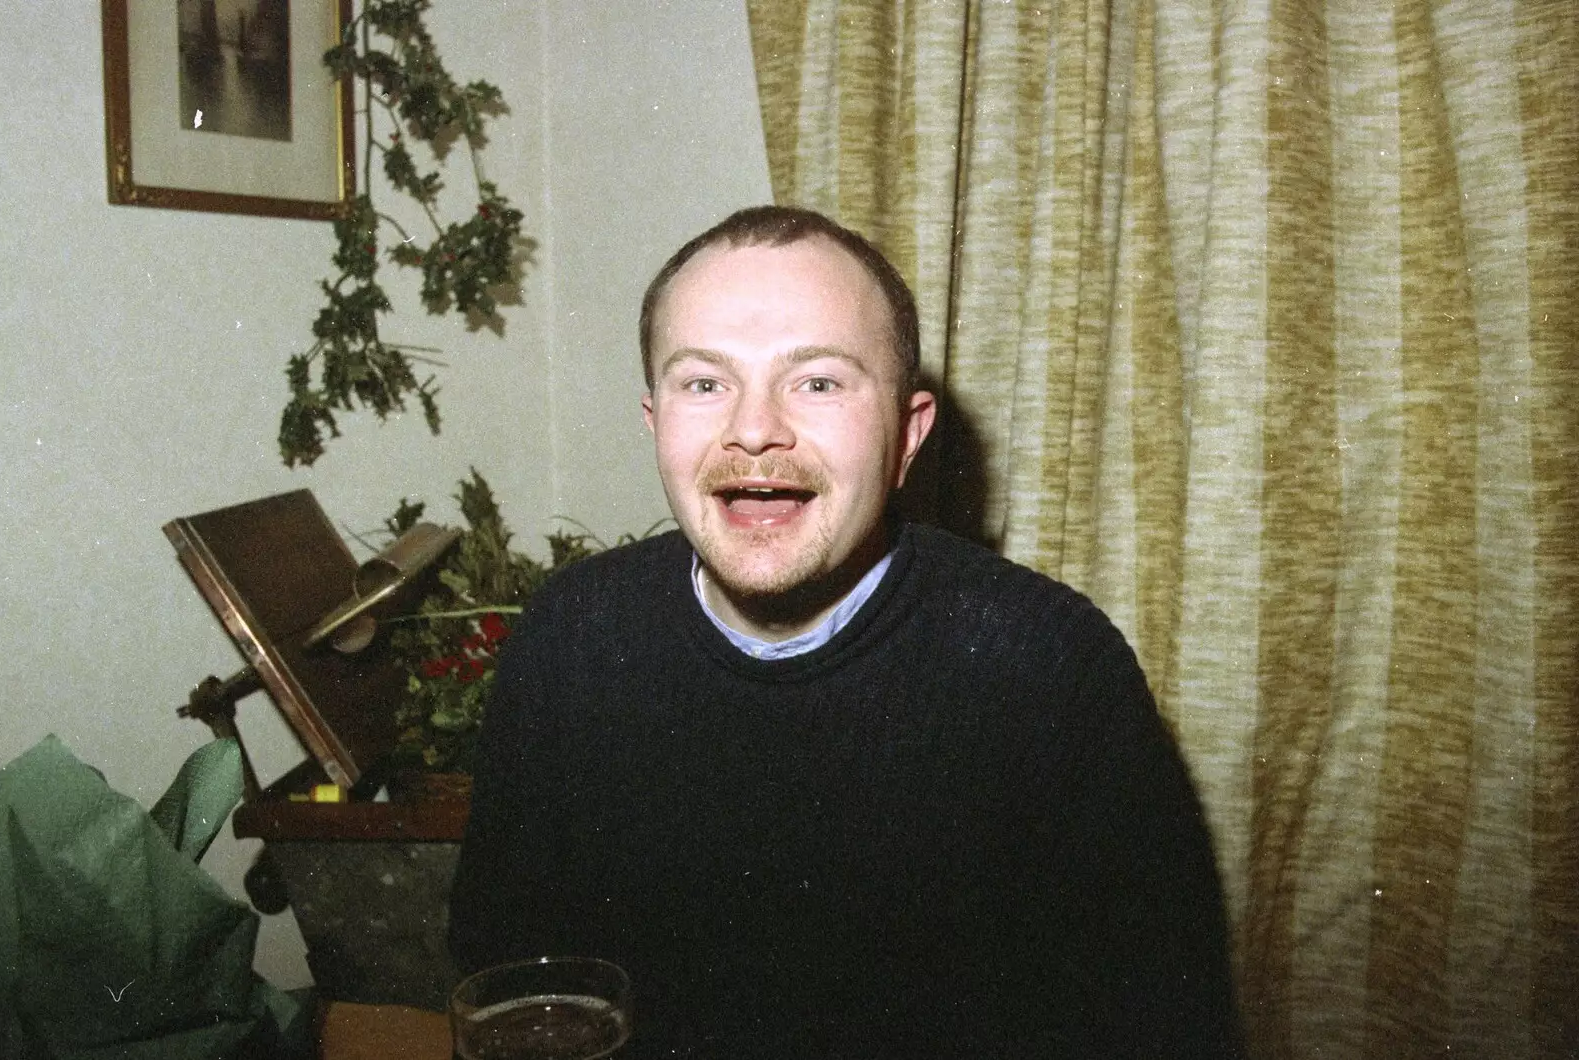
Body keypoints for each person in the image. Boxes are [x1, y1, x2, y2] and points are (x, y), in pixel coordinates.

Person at [448, 205, 1242, 1058]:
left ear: (908, 436)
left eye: (818, 382)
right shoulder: (571, 641)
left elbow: (1160, 1030)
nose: (753, 430)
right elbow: (507, 979)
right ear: (654, 423)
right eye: (704, 383)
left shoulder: (1047, 669)